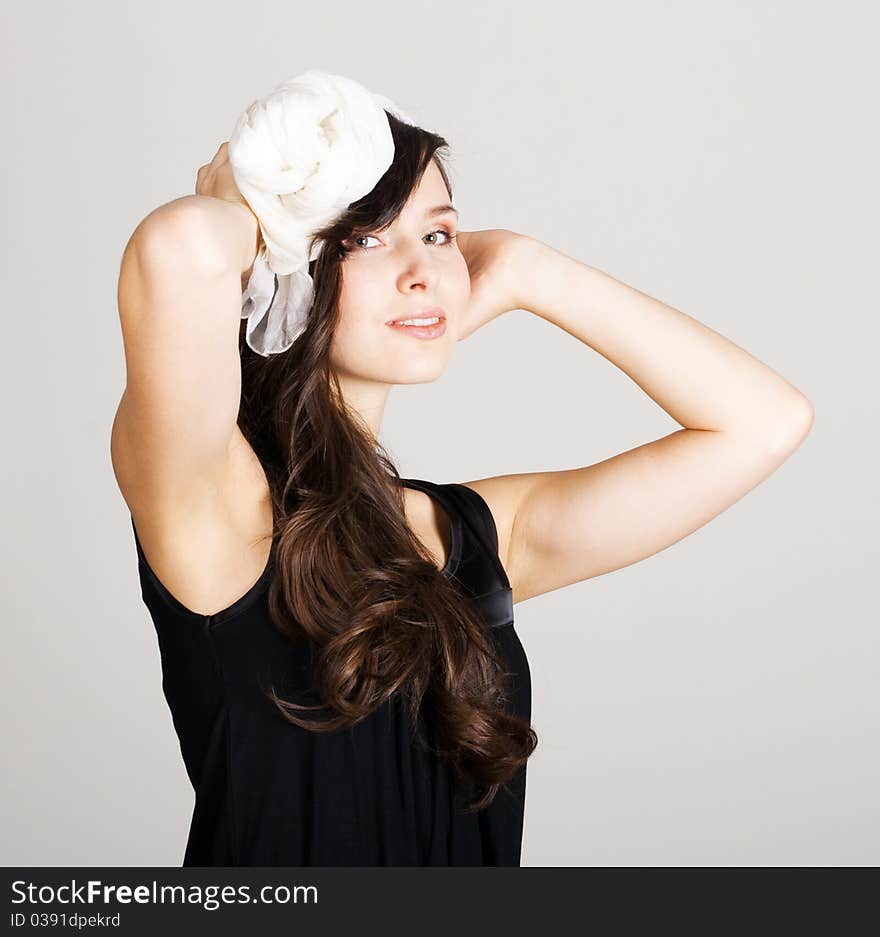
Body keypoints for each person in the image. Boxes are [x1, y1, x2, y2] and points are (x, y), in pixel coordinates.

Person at [111, 109, 813, 867]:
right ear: (287, 259)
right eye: (364, 237)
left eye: (440, 235)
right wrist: (240, 196)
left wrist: (523, 266)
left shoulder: (473, 536)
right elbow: (178, 248)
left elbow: (766, 421)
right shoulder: (217, 506)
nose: (422, 270)